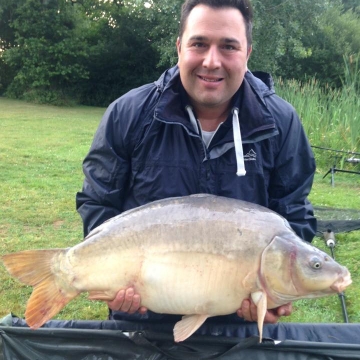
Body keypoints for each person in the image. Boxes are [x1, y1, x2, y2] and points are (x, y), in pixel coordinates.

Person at [76, 0, 316, 338]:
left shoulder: (281, 123)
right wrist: (112, 274)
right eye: (199, 44)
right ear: (179, 47)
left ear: (247, 52)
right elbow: (98, 203)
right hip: (142, 322)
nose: (212, 61)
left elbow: (294, 217)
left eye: (229, 46)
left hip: (238, 323)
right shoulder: (128, 114)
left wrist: (279, 288)